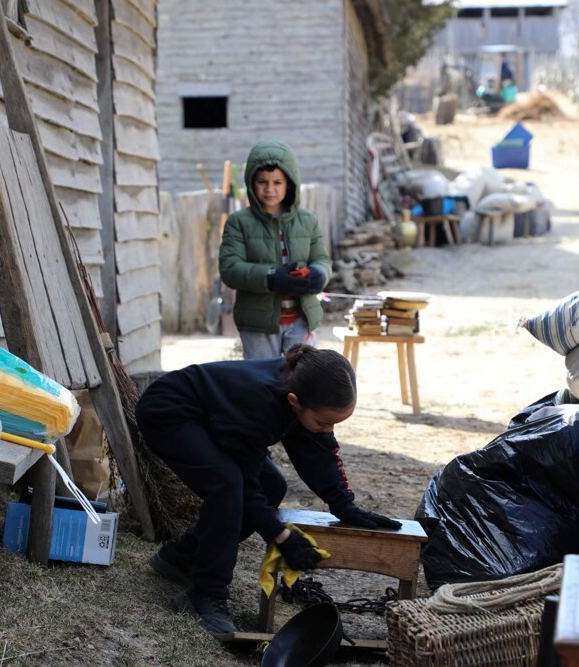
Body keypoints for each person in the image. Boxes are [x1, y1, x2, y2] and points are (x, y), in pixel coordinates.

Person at [135, 344, 399, 636]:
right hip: (170, 413)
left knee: (273, 485)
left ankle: (182, 557)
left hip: (216, 418)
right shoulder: (260, 402)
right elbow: (244, 488)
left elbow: (318, 450)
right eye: (324, 422)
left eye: (335, 424)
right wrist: (282, 536)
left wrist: (344, 505)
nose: (328, 430)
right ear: (294, 401)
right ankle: (204, 594)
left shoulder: (304, 389)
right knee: (227, 486)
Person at [219, 141, 332, 359]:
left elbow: (322, 259)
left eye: (277, 182)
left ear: (290, 182)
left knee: (303, 379)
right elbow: (230, 269)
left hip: (302, 319)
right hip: (258, 324)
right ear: (251, 182)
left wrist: (319, 274)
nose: (270, 189)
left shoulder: (307, 220)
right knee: (261, 383)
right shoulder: (238, 222)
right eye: (262, 182)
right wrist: (270, 278)